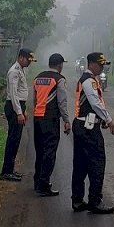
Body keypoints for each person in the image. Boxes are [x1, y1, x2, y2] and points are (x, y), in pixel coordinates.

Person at [71, 52, 114, 214]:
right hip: (87, 127)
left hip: (85, 124)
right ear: (91, 64)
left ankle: (77, 200)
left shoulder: (90, 80)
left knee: (81, 163)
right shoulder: (89, 81)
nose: (102, 67)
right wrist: (109, 119)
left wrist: (101, 120)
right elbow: (95, 103)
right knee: (97, 162)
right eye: (100, 64)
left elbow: (93, 106)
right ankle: (95, 201)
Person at [32, 52, 71, 196]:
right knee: (50, 152)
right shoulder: (59, 79)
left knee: (40, 151)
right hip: (50, 119)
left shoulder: (38, 78)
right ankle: (43, 185)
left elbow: (35, 100)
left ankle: (37, 182)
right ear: (60, 65)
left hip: (38, 118)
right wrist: (66, 120)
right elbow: (62, 102)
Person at [0, 47, 34, 181]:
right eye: (28, 60)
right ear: (21, 58)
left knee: (16, 139)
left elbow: (20, 93)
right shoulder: (14, 72)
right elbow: (13, 95)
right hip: (14, 107)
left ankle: (10, 169)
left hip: (18, 106)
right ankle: (6, 171)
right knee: (13, 139)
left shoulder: (21, 70)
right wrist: (19, 112)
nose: (29, 62)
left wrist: (23, 110)